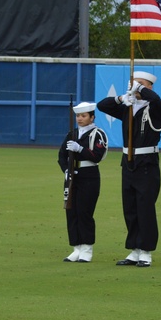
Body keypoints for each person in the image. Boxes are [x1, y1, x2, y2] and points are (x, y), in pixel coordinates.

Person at [97, 70, 161, 268]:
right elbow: (102, 105)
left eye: (140, 84)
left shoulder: (154, 109)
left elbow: (157, 100)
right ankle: (134, 249)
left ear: (149, 87)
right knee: (130, 207)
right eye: (132, 83)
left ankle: (146, 251)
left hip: (147, 163)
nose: (134, 87)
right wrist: (120, 98)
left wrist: (141, 89)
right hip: (128, 162)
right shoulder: (128, 107)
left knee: (145, 208)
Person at [57, 101, 108, 263]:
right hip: (72, 175)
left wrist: (80, 149)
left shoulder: (97, 134)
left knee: (85, 212)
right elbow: (61, 156)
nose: (80, 119)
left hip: (89, 175)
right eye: (78, 116)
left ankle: (87, 248)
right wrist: (66, 169)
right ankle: (76, 247)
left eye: (84, 116)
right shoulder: (71, 135)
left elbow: (98, 155)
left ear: (92, 117)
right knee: (71, 211)